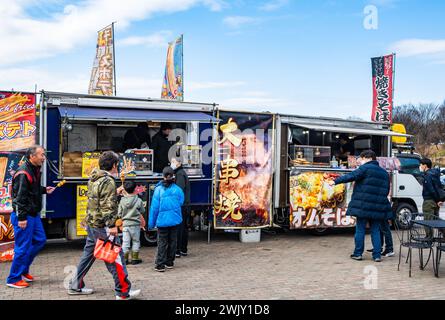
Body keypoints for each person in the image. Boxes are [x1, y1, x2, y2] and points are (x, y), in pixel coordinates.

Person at [68, 151, 141, 300]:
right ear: (114, 165)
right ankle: (122, 291)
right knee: (115, 257)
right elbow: (107, 206)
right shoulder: (108, 181)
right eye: (117, 165)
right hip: (103, 226)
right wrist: (112, 225)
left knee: (88, 255)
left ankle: (75, 284)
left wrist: (114, 192)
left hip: (92, 224)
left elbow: (99, 198)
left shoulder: (95, 177)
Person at [329, 150, 392, 262]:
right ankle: (377, 255)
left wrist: (335, 181)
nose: (360, 161)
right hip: (378, 207)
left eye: (362, 158)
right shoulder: (384, 173)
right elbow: (386, 191)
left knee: (360, 229)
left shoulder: (365, 168)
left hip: (363, 205)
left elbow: (351, 176)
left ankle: (358, 253)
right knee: (375, 230)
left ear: (367, 158)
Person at [6, 145, 55, 289]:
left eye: (44, 154)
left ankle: (23, 269)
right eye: (41, 155)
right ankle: (13, 278)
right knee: (22, 248)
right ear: (31, 156)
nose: (44, 157)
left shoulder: (34, 168)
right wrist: (21, 218)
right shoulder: (23, 172)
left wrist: (44, 190)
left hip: (33, 214)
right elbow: (20, 198)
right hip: (25, 216)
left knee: (40, 240)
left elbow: (31, 189)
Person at [149, 166, 184, 272]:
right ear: (173, 176)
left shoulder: (158, 190)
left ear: (163, 176)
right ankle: (170, 262)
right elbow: (181, 202)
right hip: (175, 220)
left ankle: (160, 264)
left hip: (162, 221)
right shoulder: (178, 189)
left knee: (162, 242)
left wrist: (151, 224)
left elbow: (154, 208)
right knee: (173, 241)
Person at [118, 181, 146, 265]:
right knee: (136, 241)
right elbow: (142, 210)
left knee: (125, 242)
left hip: (125, 225)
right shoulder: (138, 200)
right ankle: (135, 258)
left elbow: (119, 213)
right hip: (136, 225)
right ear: (135, 189)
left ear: (125, 190)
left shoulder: (122, 201)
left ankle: (125, 259)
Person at [170, 157, 191, 258]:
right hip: (184, 204)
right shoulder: (180, 173)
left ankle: (178, 250)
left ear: (179, 163)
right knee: (183, 227)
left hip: (181, 205)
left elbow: (178, 190)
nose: (172, 163)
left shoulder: (179, 174)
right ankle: (183, 249)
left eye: (173, 162)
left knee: (180, 228)